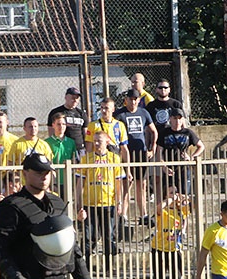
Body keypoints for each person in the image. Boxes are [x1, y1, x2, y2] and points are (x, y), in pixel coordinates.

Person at [75, 131, 126, 260]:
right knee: (89, 236)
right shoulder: (86, 159)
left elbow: (118, 183)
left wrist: (119, 202)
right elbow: (79, 183)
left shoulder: (114, 159)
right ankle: (85, 265)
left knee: (109, 236)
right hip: (90, 203)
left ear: (107, 142)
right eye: (95, 141)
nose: (97, 143)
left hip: (108, 203)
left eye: (100, 141)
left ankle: (109, 265)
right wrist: (79, 205)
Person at [114, 89, 157, 218]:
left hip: (141, 153)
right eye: (131, 99)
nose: (133, 101)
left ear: (139, 100)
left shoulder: (144, 113)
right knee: (127, 183)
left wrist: (152, 148)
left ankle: (143, 214)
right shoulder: (119, 114)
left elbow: (153, 131)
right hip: (126, 153)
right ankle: (124, 214)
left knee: (141, 184)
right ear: (126, 100)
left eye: (135, 99)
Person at [155, 108, 204, 196]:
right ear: (170, 119)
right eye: (175, 118)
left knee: (184, 195)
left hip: (184, 168)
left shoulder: (188, 133)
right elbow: (159, 151)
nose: (177, 121)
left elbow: (201, 146)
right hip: (169, 168)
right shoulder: (164, 133)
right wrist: (163, 166)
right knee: (170, 195)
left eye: (179, 118)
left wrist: (192, 157)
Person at [46, 87, 89, 153]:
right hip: (63, 147)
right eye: (72, 97)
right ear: (66, 97)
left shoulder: (81, 114)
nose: (75, 100)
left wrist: (86, 148)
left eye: (77, 98)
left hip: (79, 148)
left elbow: (85, 133)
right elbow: (51, 132)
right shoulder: (56, 112)